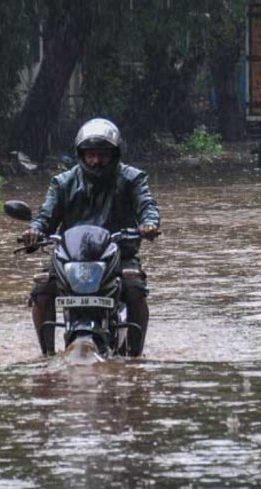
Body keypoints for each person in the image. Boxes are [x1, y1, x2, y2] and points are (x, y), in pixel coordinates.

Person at [21, 118, 160, 356]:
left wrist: (149, 223)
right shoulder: (63, 182)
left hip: (118, 255)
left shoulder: (132, 179)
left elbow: (147, 205)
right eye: (91, 155)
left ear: (115, 154)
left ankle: (135, 356)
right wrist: (35, 230)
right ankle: (46, 355)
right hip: (70, 257)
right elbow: (46, 215)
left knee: (135, 287)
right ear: (81, 155)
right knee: (41, 287)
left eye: (103, 154)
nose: (96, 161)